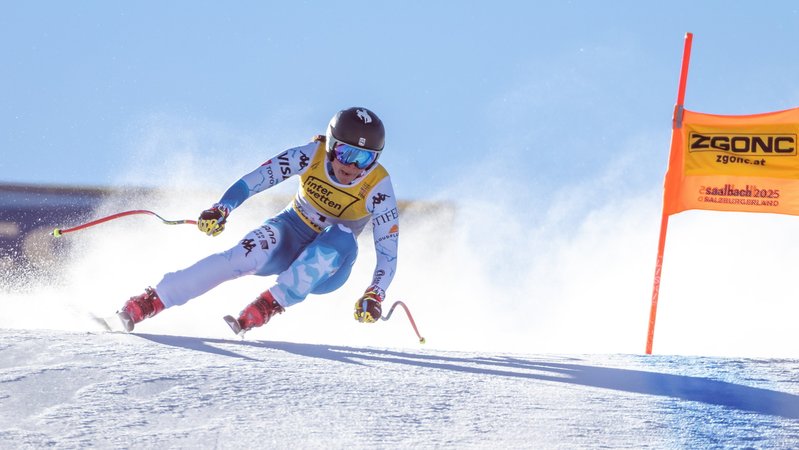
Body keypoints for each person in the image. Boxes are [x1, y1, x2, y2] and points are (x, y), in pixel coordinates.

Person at [116, 107, 399, 335]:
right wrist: (222, 208)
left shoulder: (378, 187)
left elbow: (388, 253)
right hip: (290, 233)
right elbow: (256, 180)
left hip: (330, 267)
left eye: (364, 158)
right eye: (345, 153)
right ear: (330, 146)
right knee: (238, 257)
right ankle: (153, 300)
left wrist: (375, 294)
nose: (351, 167)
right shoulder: (309, 155)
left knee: (340, 234)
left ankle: (269, 304)